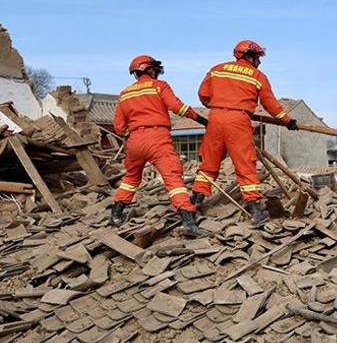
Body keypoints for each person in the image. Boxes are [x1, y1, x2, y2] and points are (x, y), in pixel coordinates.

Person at [192, 40, 297, 225]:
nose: (259, 62)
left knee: (209, 164)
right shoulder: (257, 76)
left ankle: (193, 206)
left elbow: (203, 94)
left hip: (215, 118)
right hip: (238, 122)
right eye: (257, 57)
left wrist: (220, 106)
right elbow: (270, 104)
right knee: (245, 165)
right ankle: (255, 211)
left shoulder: (217, 69)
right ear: (249, 56)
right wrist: (288, 121)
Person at [111, 55, 207, 238]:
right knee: (173, 178)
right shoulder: (159, 86)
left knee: (131, 178)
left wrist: (133, 135)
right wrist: (200, 119)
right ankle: (188, 222)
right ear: (150, 69)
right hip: (157, 137)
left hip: (135, 140)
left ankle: (115, 215)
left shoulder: (125, 93)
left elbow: (118, 127)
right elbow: (177, 107)